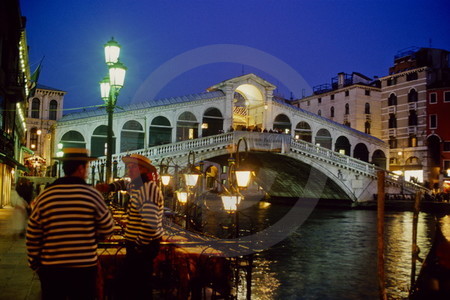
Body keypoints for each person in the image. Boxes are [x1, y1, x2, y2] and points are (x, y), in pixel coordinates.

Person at [26, 148, 114, 300]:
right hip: (84, 269)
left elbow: (33, 233)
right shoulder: (92, 195)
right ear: (80, 168)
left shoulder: (46, 196)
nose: (86, 171)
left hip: (51, 269)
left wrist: (35, 263)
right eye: (86, 167)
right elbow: (108, 228)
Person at [96, 154, 164, 299]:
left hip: (143, 246)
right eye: (129, 166)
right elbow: (124, 184)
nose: (129, 169)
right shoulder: (137, 185)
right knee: (133, 283)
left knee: (139, 285)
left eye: (134, 167)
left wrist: (139, 245)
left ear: (144, 170)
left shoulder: (148, 189)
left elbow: (149, 222)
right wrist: (109, 187)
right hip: (137, 244)